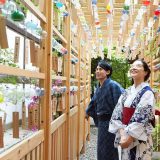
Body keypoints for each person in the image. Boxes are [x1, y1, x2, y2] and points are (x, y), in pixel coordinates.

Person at [109, 59, 155, 160]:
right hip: (124, 134)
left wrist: (129, 138)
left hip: (139, 137)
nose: (133, 68)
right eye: (132, 66)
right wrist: (122, 134)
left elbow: (142, 117)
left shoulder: (147, 92)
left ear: (146, 72)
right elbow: (117, 113)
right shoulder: (127, 91)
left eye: (138, 66)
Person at [86, 60, 124, 160]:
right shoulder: (99, 87)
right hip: (102, 123)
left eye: (100, 69)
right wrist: (88, 112)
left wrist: (119, 124)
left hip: (111, 123)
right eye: (97, 69)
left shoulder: (113, 85)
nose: (97, 71)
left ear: (107, 72)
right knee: (102, 149)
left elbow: (121, 104)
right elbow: (94, 101)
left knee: (110, 149)